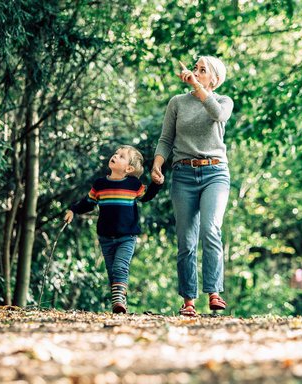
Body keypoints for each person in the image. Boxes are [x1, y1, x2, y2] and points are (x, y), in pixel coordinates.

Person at [150, 56, 234, 317]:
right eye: (195, 68)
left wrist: (198, 89)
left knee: (211, 228)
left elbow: (217, 115)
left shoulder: (223, 101)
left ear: (215, 79)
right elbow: (166, 139)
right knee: (186, 241)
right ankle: (188, 301)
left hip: (215, 172)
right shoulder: (177, 102)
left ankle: (214, 293)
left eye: (203, 70)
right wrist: (157, 164)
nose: (196, 72)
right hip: (183, 174)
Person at [65, 145, 161, 314]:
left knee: (119, 268)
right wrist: (73, 209)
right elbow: (87, 203)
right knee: (112, 272)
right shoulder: (100, 185)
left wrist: (156, 184)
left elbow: (146, 197)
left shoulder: (133, 184)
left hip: (127, 236)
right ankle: (120, 302)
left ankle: (118, 300)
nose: (115, 156)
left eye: (122, 156)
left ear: (129, 168)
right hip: (105, 237)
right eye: (116, 153)